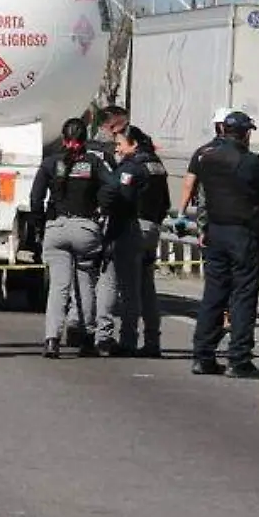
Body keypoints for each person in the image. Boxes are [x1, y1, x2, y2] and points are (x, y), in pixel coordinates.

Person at [182, 111, 259, 377]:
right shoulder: (249, 161)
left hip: (215, 230)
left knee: (214, 293)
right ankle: (238, 358)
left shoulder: (206, 157)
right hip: (242, 232)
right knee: (243, 295)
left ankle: (202, 355)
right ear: (246, 133)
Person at [30, 117, 116, 359]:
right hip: (85, 228)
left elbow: (35, 198)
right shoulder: (93, 163)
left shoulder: (50, 163)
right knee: (85, 282)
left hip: (56, 227)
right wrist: (101, 207)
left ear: (63, 137)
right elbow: (114, 187)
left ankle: (51, 339)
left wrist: (39, 225)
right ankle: (86, 337)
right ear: (85, 138)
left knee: (58, 286)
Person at [111, 126, 169, 357]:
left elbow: (122, 200)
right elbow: (165, 202)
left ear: (133, 144)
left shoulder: (133, 167)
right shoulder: (157, 165)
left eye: (120, 143)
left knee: (130, 289)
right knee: (147, 288)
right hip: (153, 228)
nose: (117, 148)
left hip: (135, 228)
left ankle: (128, 340)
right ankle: (153, 341)